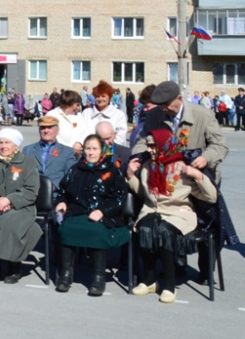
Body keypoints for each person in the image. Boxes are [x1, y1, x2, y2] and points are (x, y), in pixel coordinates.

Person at [127, 127, 218, 303]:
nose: (149, 150)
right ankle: (150, 280)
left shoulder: (182, 167)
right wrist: (130, 175)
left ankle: (169, 285)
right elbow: (145, 194)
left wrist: (198, 175)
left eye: (153, 146)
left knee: (164, 231)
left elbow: (211, 197)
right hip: (153, 210)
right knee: (145, 228)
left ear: (164, 145)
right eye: (148, 146)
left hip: (178, 213)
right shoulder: (148, 166)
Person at [53, 134, 130, 295]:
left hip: (104, 215)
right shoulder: (75, 169)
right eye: (88, 148)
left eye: (95, 149)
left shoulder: (112, 171)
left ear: (102, 151)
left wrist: (102, 211)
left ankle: (98, 278)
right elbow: (63, 191)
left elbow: (119, 198)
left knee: (97, 231)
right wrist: (61, 202)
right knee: (66, 228)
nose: (91, 152)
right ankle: (66, 275)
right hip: (77, 211)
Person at [0, 127, 41, 285]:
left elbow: (31, 190)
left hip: (21, 206)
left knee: (10, 226)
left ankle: (14, 267)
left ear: (16, 146)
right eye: (1, 142)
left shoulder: (28, 162)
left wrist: (9, 200)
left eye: (7, 143)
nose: (3, 146)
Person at [22, 116, 76, 190]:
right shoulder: (28, 150)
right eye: (43, 128)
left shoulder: (67, 151)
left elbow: (71, 176)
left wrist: (56, 187)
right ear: (39, 130)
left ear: (57, 131)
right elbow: (22, 174)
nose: (46, 131)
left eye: (49, 127)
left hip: (56, 193)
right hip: (32, 192)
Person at [80, 80, 129, 147]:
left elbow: (120, 138)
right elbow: (81, 132)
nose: (100, 99)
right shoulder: (86, 113)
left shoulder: (118, 115)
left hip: (111, 150)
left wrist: (107, 149)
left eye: (103, 96)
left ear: (109, 97)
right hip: (90, 150)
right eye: (97, 96)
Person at [46, 89, 91, 155]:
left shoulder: (79, 115)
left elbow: (86, 132)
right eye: (77, 105)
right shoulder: (52, 115)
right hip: (58, 155)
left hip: (76, 156)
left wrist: (80, 143)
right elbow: (48, 137)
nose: (78, 108)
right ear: (69, 103)